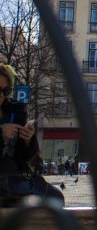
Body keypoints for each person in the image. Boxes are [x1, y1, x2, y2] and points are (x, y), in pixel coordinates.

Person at [0, 64, 63, 206]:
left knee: (56, 199)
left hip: (15, 179)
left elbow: (25, 157)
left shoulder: (15, 111)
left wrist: (28, 139)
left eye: (6, 90)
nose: (2, 95)